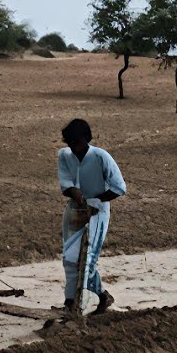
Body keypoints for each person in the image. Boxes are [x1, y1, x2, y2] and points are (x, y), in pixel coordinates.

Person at [57, 118, 126, 315]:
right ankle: (79, 300)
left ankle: (79, 304)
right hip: (75, 209)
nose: (74, 148)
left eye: (77, 143)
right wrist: (75, 193)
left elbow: (119, 188)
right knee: (70, 259)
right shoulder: (64, 155)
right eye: (71, 144)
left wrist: (95, 200)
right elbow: (66, 184)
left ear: (86, 139)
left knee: (87, 260)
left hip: (97, 211)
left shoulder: (101, 157)